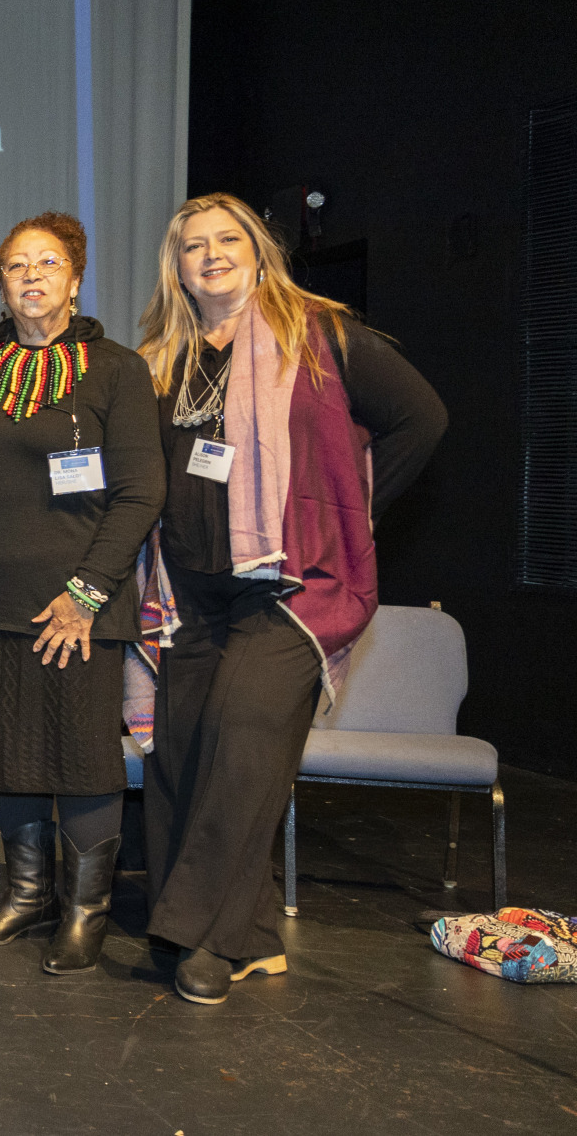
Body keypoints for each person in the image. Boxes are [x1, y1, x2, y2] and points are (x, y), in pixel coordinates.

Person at [135, 195, 445, 1004]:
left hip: (293, 588)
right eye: (193, 245)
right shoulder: (165, 357)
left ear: (258, 247)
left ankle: (205, 934)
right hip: (192, 593)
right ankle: (259, 935)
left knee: (243, 747)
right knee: (180, 759)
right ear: (177, 266)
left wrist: (346, 516)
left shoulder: (322, 334)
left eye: (226, 239)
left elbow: (422, 417)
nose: (210, 255)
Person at [0, 211, 164, 974]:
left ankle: (85, 912)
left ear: (75, 279)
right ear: (2, 282)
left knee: (80, 758)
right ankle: (25, 897)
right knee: (5, 751)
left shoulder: (117, 369)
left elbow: (143, 491)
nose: (31, 276)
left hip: (75, 604)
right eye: (17, 265)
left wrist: (85, 592)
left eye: (47, 263)